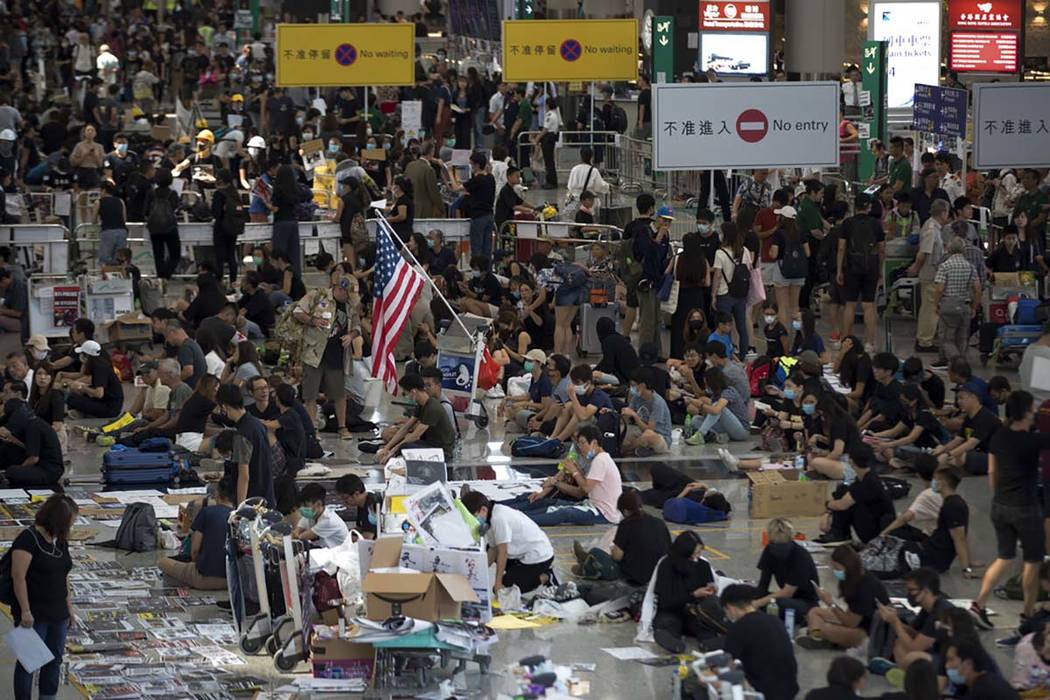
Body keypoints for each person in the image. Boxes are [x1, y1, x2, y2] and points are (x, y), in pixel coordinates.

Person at [969, 391, 1050, 629]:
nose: (1035, 412)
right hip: (1025, 508)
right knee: (1033, 562)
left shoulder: (1000, 436)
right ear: (1026, 412)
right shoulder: (1032, 440)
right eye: (1032, 409)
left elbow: (992, 472)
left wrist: (999, 495)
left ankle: (979, 603)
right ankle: (1027, 614)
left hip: (1000, 506)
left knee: (1004, 557)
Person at [9, 494, 78, 700]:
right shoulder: (28, 539)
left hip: (58, 612)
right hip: (34, 613)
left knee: (54, 659)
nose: (72, 526)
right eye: (70, 521)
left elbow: (63, 575)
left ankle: (48, 696)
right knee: (29, 662)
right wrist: (25, 610)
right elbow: (18, 577)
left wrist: (69, 607)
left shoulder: (60, 540)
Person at [509, 425, 622, 526]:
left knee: (564, 513)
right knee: (550, 503)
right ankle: (515, 516)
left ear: (594, 443)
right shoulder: (596, 458)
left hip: (603, 513)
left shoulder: (600, 460)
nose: (580, 447)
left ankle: (520, 521)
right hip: (591, 505)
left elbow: (586, 488)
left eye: (583, 443)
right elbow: (563, 475)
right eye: (578, 443)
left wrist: (574, 471)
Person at [292, 274, 359, 440]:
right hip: (314, 354)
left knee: (339, 393)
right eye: (346, 293)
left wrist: (350, 336)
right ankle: (312, 429)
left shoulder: (350, 305)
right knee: (310, 394)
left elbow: (357, 326)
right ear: (339, 288)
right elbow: (298, 312)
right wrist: (313, 321)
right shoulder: (318, 296)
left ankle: (342, 427)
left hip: (336, 354)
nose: (348, 297)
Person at [460, 490, 554, 593]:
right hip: (521, 551)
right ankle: (521, 573)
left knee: (508, 587)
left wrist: (498, 584)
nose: (475, 521)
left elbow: (502, 553)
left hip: (540, 556)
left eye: (474, 516)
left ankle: (546, 576)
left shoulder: (498, 518)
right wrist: (476, 572)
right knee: (489, 550)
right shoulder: (489, 518)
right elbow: (493, 549)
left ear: (483, 509)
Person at [572, 489, 670, 585]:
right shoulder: (659, 523)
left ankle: (586, 567)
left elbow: (617, 556)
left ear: (626, 511)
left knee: (596, 552)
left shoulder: (626, 524)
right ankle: (586, 559)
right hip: (656, 574)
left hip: (632, 576)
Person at [801, 544, 889, 650]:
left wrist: (831, 603)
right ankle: (817, 638)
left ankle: (820, 636)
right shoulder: (854, 579)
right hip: (856, 621)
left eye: (837, 568)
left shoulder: (865, 587)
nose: (835, 571)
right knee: (815, 611)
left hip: (867, 632)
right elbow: (849, 612)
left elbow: (851, 623)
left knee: (825, 629)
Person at [722, 583, 800, 700]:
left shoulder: (739, 627)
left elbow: (726, 665)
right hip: (790, 690)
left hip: (763, 694)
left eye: (726, 611)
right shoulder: (775, 620)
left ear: (731, 608)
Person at [873, 567, 954, 676]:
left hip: (952, 662)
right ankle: (904, 671)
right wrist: (893, 619)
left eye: (912, 590)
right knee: (899, 643)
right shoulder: (928, 608)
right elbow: (915, 634)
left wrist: (896, 622)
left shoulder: (939, 613)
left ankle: (908, 674)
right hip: (937, 651)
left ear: (926, 591)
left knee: (912, 656)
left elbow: (914, 647)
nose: (908, 594)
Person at [158, 477, 234, 590]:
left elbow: (195, 550)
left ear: (217, 493)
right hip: (233, 580)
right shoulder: (239, 516)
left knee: (162, 562)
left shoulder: (206, 512)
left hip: (205, 578)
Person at [652, 531, 719, 653]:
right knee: (668, 624)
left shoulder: (703, 565)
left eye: (699, 553)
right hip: (672, 610)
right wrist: (692, 595)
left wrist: (711, 589)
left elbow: (708, 587)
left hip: (694, 611)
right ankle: (673, 643)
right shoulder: (667, 566)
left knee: (705, 627)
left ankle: (709, 644)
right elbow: (665, 601)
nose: (697, 558)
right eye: (695, 554)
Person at [820, 444, 896, 545]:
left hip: (877, 532)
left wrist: (827, 506)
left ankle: (840, 533)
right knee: (843, 490)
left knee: (847, 499)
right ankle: (840, 533)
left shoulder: (868, 482)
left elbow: (841, 505)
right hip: (879, 524)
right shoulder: (867, 477)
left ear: (851, 461)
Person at [837, 194, 885, 350]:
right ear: (869, 207)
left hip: (852, 266)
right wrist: (880, 270)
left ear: (854, 206)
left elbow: (841, 248)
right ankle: (870, 342)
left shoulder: (847, 224)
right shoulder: (876, 224)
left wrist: (839, 269)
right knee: (869, 306)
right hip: (871, 266)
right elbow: (882, 249)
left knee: (849, 304)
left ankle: (845, 340)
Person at [214, 386, 274, 506]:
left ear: (224, 407)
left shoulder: (242, 434)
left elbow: (244, 475)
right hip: (267, 494)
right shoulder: (257, 424)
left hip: (252, 500)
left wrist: (240, 508)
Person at [754, 517, 820, 621]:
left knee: (779, 604)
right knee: (748, 593)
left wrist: (757, 603)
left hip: (806, 602)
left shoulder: (800, 556)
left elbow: (788, 592)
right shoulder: (769, 551)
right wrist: (755, 598)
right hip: (787, 598)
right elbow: (763, 583)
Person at [377, 373, 455, 461]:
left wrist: (394, 450)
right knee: (398, 439)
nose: (406, 397)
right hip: (429, 443)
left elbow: (415, 435)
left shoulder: (432, 407)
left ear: (413, 392)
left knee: (405, 447)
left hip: (442, 450)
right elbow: (406, 427)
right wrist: (387, 448)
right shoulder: (421, 404)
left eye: (405, 393)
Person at [931, 384, 1000, 476]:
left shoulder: (986, 417)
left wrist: (948, 454)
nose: (958, 402)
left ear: (973, 397)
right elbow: (958, 439)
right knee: (952, 455)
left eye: (961, 398)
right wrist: (943, 449)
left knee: (961, 456)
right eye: (958, 398)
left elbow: (971, 443)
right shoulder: (969, 417)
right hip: (981, 453)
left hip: (997, 459)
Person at [932, 237, 980, 366]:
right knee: (962, 338)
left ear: (948, 249)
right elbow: (977, 289)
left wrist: (936, 304)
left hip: (948, 305)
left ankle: (957, 363)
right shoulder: (970, 267)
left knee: (946, 338)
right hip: (965, 305)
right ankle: (959, 363)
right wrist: (974, 307)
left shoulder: (945, 266)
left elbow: (940, 289)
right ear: (964, 250)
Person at [910, 198, 949, 353]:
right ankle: (924, 341)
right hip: (930, 275)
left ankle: (925, 337)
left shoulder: (933, 227)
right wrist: (915, 268)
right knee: (930, 309)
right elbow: (923, 254)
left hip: (933, 274)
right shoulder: (932, 230)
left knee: (929, 308)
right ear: (943, 212)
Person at [711, 221, 753, 359]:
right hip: (741, 293)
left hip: (724, 293)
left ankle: (728, 356)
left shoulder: (720, 253)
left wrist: (713, 295)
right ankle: (743, 355)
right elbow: (749, 270)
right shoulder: (744, 251)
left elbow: (717, 275)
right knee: (742, 327)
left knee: (725, 328)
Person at [635, 206, 673, 355]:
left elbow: (662, 258)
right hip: (645, 281)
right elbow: (646, 255)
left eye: (669, 221)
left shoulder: (666, 235)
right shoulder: (644, 232)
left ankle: (656, 352)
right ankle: (645, 352)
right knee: (647, 320)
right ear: (657, 218)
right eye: (664, 220)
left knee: (657, 319)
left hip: (658, 281)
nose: (666, 224)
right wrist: (657, 239)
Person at [768, 204, 810, 329]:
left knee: (783, 306)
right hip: (798, 272)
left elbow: (774, 254)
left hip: (782, 272)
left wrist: (770, 251)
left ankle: (784, 334)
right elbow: (808, 253)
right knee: (795, 306)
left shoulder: (778, 234)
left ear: (782, 218)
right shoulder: (801, 232)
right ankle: (797, 332)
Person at [670, 232, 710, 361]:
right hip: (697, 296)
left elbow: (668, 273)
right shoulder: (702, 259)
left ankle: (677, 353)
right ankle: (697, 353)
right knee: (696, 325)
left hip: (680, 297)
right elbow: (707, 282)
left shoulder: (677, 258)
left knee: (679, 326)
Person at [685, 367, 750, 445]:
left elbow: (716, 410)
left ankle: (700, 434)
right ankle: (717, 436)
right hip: (727, 428)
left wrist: (701, 405)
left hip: (741, 431)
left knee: (718, 407)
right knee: (696, 420)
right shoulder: (715, 395)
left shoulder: (729, 392)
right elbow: (711, 415)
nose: (706, 387)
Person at [620, 368, 673, 457]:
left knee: (648, 436)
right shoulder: (636, 398)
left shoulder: (657, 402)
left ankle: (628, 450)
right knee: (625, 439)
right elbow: (625, 418)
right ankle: (640, 450)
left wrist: (635, 416)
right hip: (642, 435)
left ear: (642, 385)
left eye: (633, 385)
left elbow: (649, 429)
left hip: (660, 438)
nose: (631, 388)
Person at [64, 340, 123, 418]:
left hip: (110, 408)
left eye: (82, 354)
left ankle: (85, 414)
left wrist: (82, 387)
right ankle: (83, 413)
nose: (80, 356)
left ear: (87, 356)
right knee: (78, 394)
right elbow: (85, 376)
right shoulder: (101, 365)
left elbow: (99, 394)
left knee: (71, 398)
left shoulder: (99, 369)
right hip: (109, 403)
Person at [944, 639, 1020, 699]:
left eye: (951, 660)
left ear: (968, 663)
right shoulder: (988, 680)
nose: (947, 666)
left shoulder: (982, 691)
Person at [144, 168, 181, 279]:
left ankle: (160, 278)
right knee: (175, 254)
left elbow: (145, 210)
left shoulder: (151, 193)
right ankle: (166, 274)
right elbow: (176, 207)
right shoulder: (172, 193)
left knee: (158, 255)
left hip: (154, 227)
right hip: (170, 226)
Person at [461, 151, 496, 259]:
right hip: (489, 215)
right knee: (487, 249)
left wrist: (449, 172)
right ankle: (487, 272)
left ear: (476, 165)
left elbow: (456, 188)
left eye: (471, 164)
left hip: (478, 217)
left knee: (477, 249)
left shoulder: (476, 180)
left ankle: (478, 271)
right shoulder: (490, 178)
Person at [294, 483, 349, 549]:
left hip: (339, 554)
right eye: (301, 505)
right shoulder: (311, 515)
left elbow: (300, 537)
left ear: (318, 504)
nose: (302, 508)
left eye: (306, 505)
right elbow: (296, 532)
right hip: (324, 550)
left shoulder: (328, 520)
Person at [270, 164, 301, 277]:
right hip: (293, 222)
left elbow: (275, 208)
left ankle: (281, 279)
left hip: (281, 223)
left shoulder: (278, 188)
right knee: (294, 255)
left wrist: (266, 203)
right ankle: (296, 278)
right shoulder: (295, 188)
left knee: (280, 255)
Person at [335, 474, 381, 540]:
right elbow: (360, 528)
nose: (344, 502)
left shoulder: (371, 506)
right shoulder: (361, 503)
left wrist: (343, 538)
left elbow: (367, 538)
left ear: (356, 494)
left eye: (345, 498)